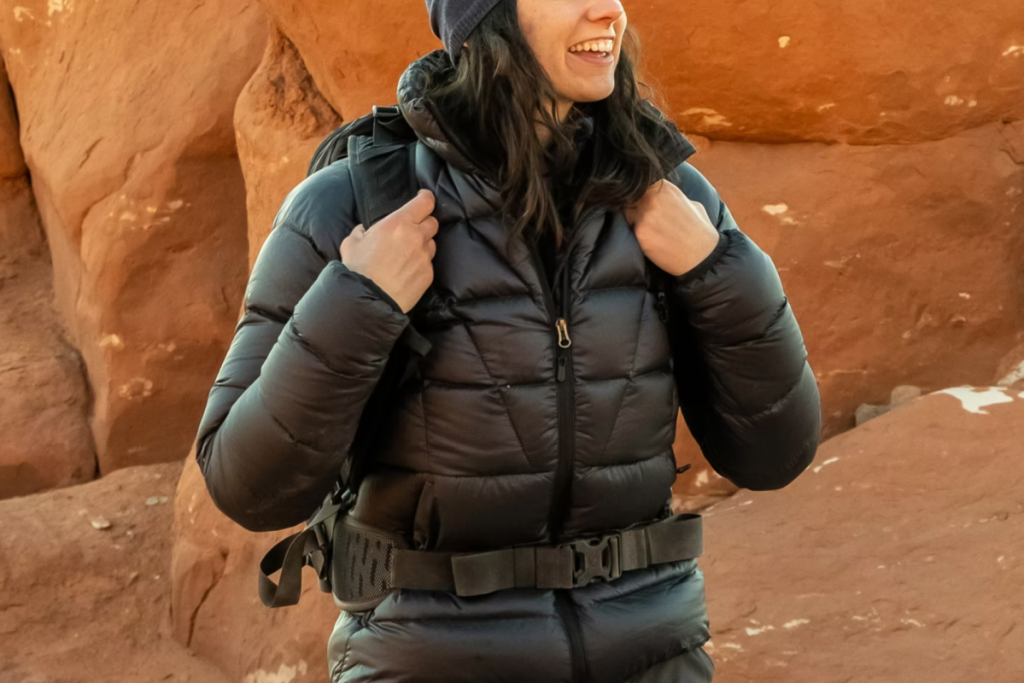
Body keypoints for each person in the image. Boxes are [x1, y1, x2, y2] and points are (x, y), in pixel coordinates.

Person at [193, 0, 822, 681]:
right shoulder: (355, 205)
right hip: (432, 660)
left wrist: (717, 269)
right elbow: (245, 484)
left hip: (652, 656)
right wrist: (358, 300)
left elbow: (776, 453)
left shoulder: (665, 194)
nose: (607, 10)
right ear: (483, 18)